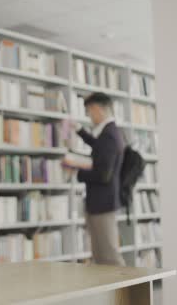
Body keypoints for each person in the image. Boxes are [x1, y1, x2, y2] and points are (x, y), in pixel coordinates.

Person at [65, 92, 125, 266]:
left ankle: (125, 292)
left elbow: (102, 174)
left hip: (102, 204)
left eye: (89, 111)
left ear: (98, 109)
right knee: (100, 256)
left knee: (108, 256)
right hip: (101, 203)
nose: (89, 115)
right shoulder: (109, 132)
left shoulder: (108, 135)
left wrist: (76, 170)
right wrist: (79, 130)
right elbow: (99, 149)